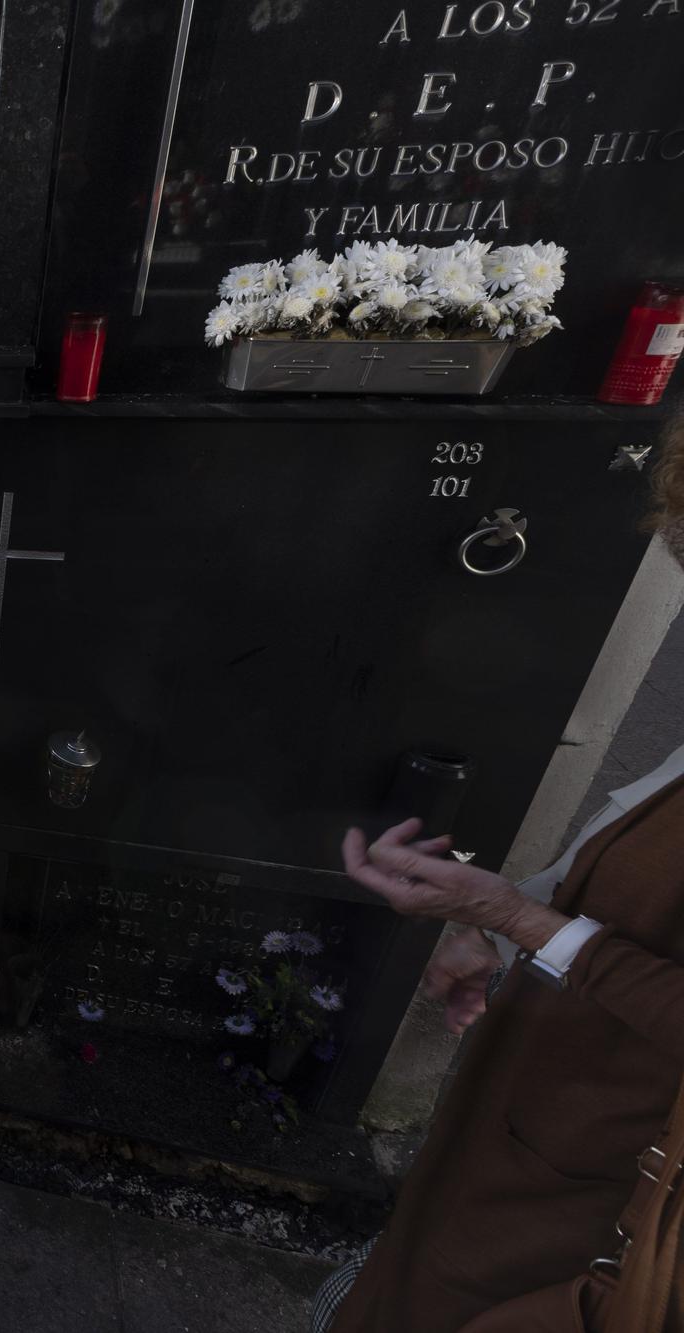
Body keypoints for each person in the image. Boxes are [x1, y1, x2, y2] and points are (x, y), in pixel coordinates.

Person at [318, 425, 684, 1331]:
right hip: (532, 1123)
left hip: (598, 1193)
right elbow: (627, 859)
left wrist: (517, 920)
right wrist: (493, 923)